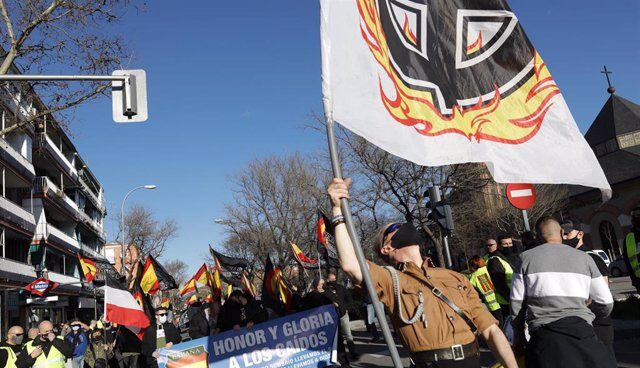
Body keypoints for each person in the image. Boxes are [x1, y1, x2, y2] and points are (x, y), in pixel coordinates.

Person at [328, 178, 517, 368]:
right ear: (387, 248)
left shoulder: (454, 277)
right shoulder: (390, 279)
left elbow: (491, 331)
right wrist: (337, 210)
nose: (403, 227)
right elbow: (351, 265)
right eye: (394, 228)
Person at [510, 216, 616, 368]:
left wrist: (518, 337)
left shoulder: (525, 259)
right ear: (561, 232)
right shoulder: (584, 258)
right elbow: (606, 301)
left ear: (538, 236)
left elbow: (516, 304)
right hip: (582, 334)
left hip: (545, 339)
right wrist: (589, 317)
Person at [561, 218, 616, 361]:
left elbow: (603, 293)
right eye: (562, 234)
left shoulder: (590, 257)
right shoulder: (568, 259)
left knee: (605, 362)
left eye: (567, 234)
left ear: (580, 234)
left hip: (597, 323)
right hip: (581, 322)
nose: (564, 237)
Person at [302, 278, 350, 367]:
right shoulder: (310, 297)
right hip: (318, 328)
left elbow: (337, 304)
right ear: (317, 285)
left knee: (338, 345)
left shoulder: (328, 294)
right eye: (321, 284)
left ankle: (345, 364)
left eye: (324, 283)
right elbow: (304, 311)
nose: (323, 285)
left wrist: (336, 305)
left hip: (332, 325)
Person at [324, 271, 359, 360]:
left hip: (343, 315)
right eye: (330, 279)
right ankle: (341, 356)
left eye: (334, 279)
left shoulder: (341, 288)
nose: (332, 281)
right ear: (327, 279)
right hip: (333, 318)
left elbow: (349, 298)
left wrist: (346, 308)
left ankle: (353, 352)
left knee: (348, 334)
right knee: (338, 338)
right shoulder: (325, 292)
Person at [467, 256, 503, 328]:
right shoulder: (488, 269)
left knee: (499, 325)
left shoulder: (473, 277)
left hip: (492, 305)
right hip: (502, 299)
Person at [486, 235, 515, 319]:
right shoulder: (494, 260)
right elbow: (500, 285)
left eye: (510, 243)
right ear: (499, 245)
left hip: (516, 298)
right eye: (505, 244)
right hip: (507, 302)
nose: (508, 246)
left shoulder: (511, 257)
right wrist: (512, 299)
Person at [623, 205, 640, 294]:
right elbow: (628, 261)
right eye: (635, 216)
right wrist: (634, 280)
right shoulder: (629, 238)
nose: (637, 218)